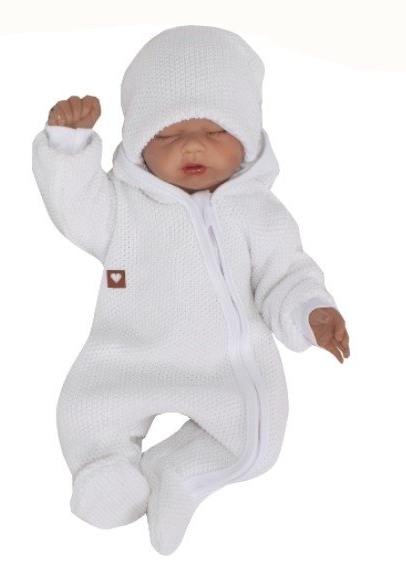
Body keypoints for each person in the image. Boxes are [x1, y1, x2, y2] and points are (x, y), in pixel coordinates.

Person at [32, 24, 350, 556]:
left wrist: (310, 312)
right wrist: (69, 148)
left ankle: (177, 473)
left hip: (223, 365)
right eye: (166, 135)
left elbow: (285, 274)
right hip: (128, 354)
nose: (193, 145)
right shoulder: (122, 206)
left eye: (215, 129)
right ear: (139, 145)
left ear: (248, 139)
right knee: (88, 412)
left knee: (256, 441)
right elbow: (75, 208)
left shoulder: (257, 212)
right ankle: (105, 473)